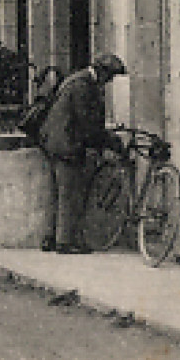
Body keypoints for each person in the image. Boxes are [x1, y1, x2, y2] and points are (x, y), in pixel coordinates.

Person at [38, 53, 127, 253]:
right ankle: (65, 243)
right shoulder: (83, 86)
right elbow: (86, 123)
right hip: (65, 143)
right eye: (110, 76)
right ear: (102, 72)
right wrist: (110, 141)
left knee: (59, 192)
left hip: (54, 141)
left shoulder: (77, 80)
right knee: (70, 192)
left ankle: (51, 238)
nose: (109, 81)